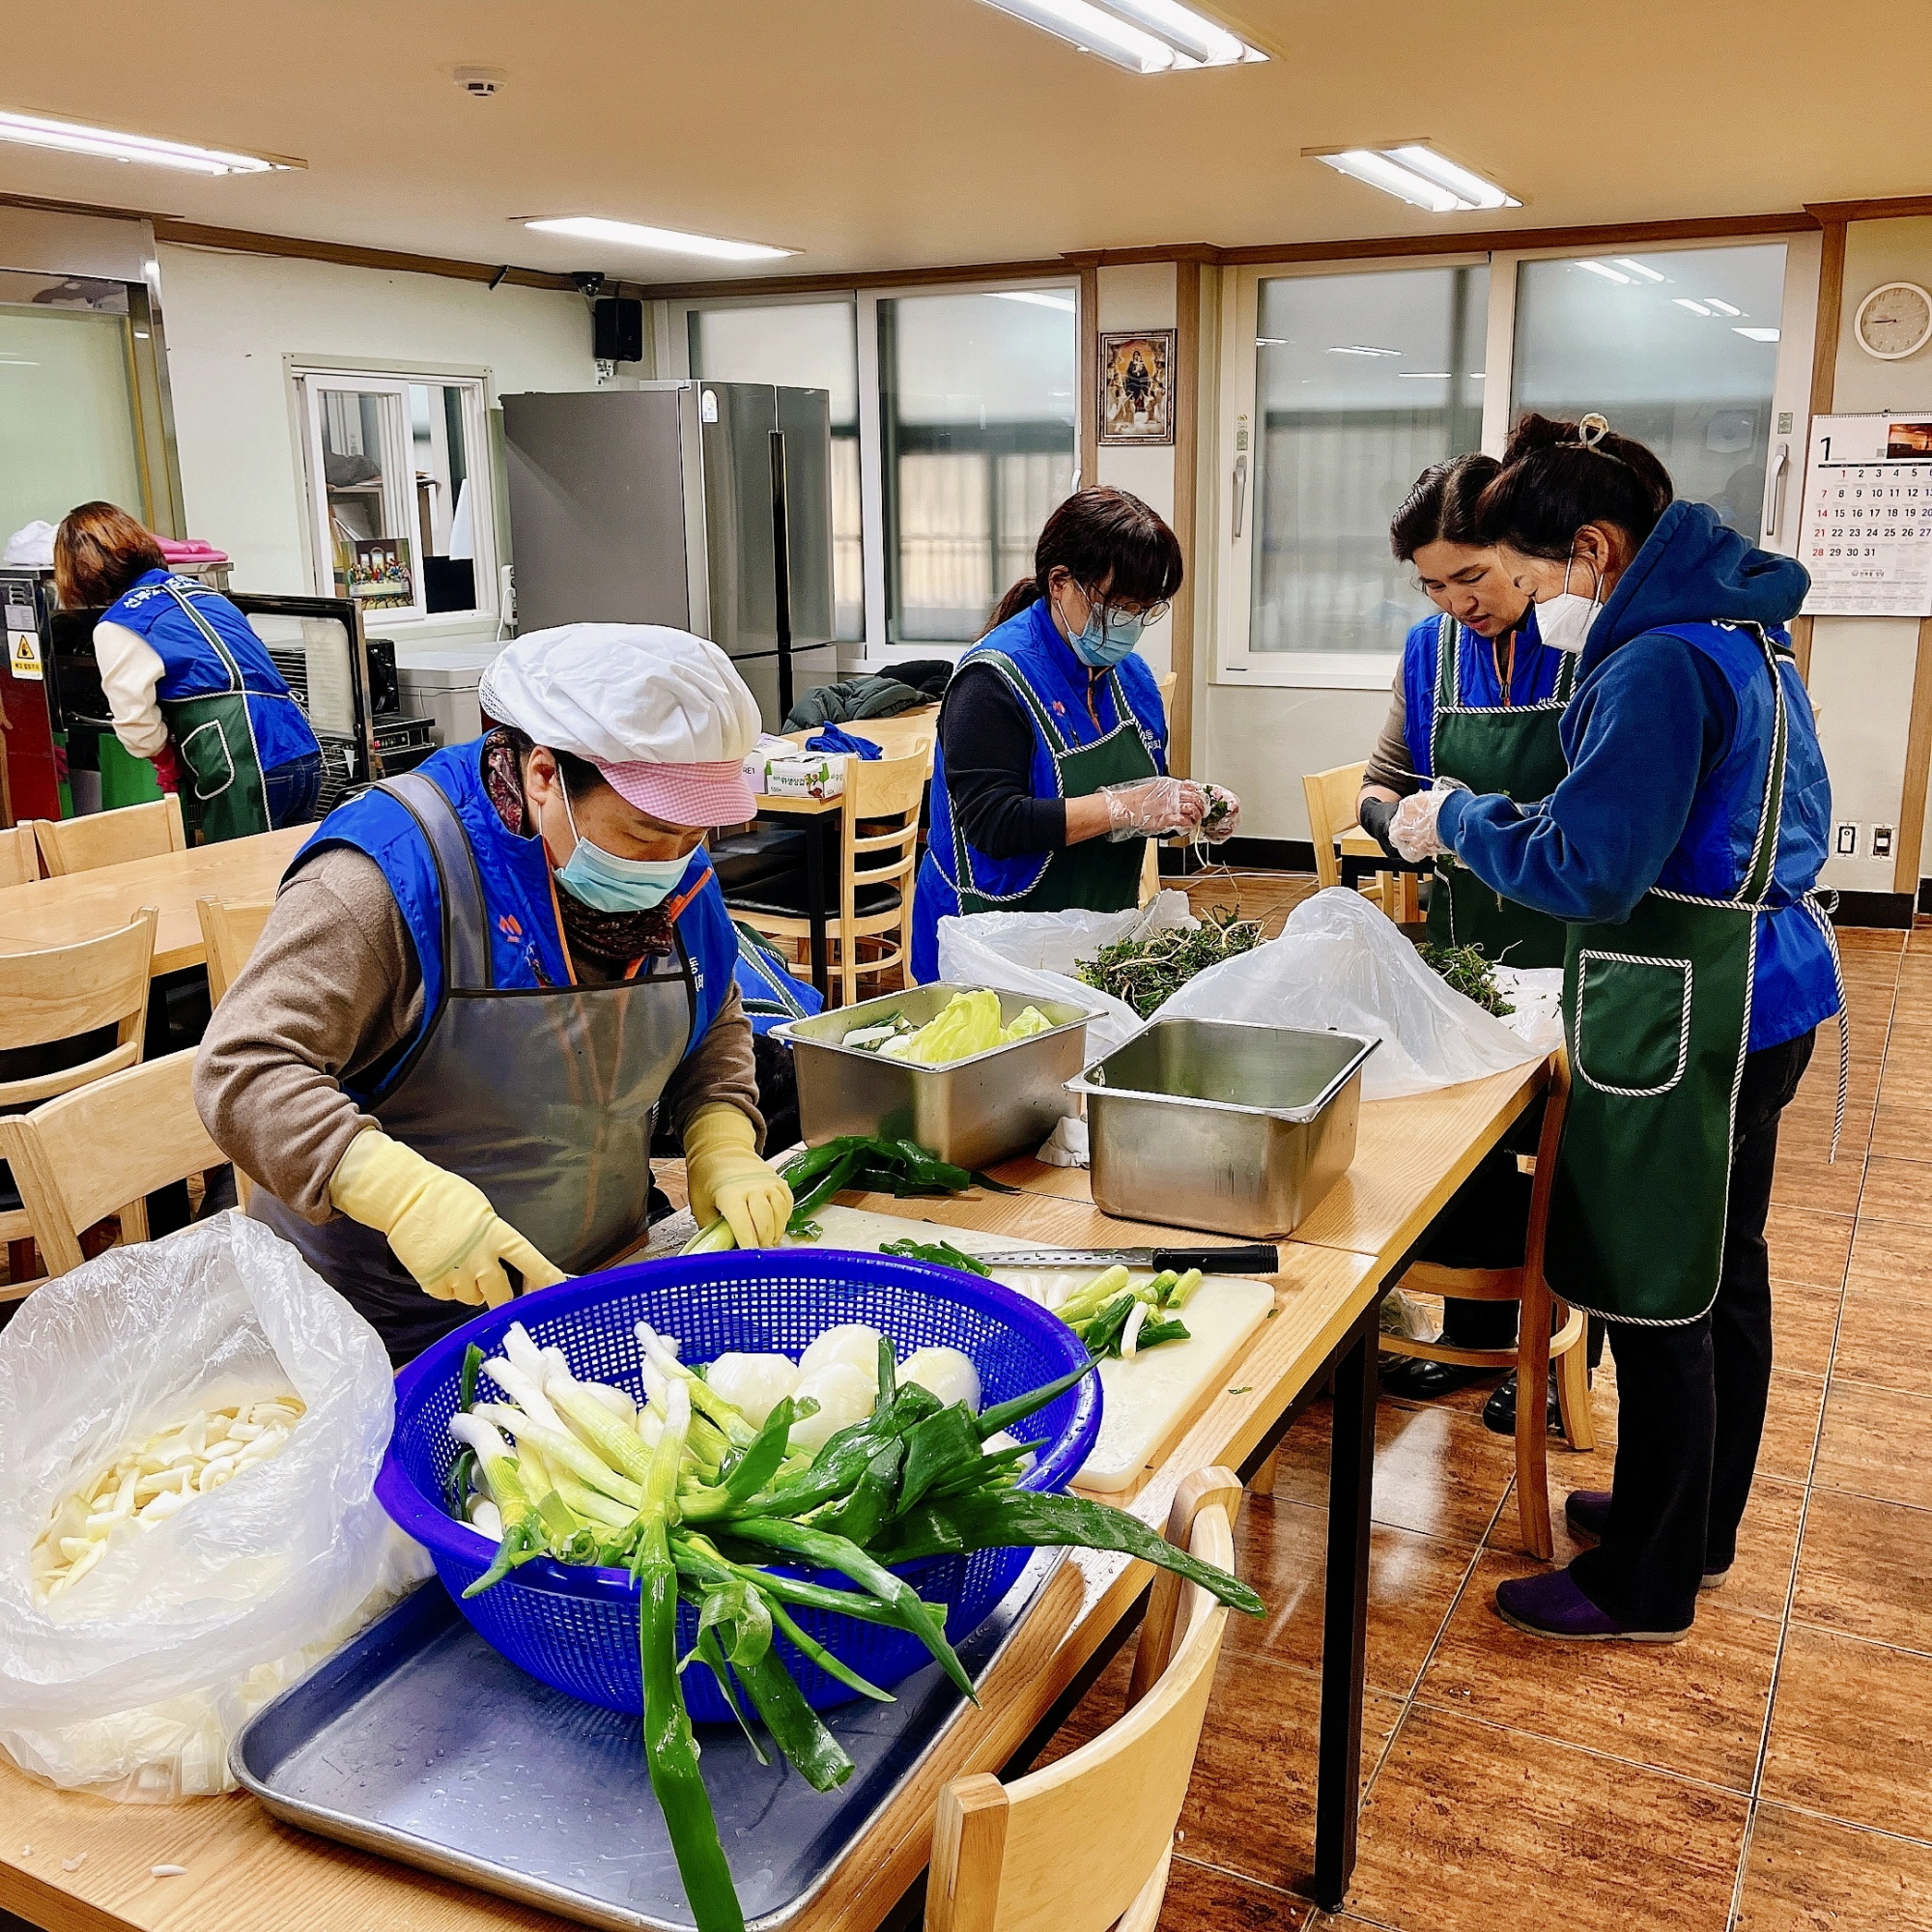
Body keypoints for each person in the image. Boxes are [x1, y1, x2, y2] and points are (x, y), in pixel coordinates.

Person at [1390, 413, 1840, 1641]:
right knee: (1720, 1271)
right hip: (1769, 984)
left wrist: (1460, 824)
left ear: (1594, 547)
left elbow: (1591, 866)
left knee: (1657, 1286)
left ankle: (1637, 1581)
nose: (1532, 609)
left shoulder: (1655, 661)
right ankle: (1687, 1522)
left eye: (1533, 580)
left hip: (1690, 998)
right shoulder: (1744, 627)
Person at [195, 624, 793, 1366]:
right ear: (545, 776)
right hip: (383, 1338)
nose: (672, 861)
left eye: (694, 835)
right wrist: (399, 1193)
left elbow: (710, 1020)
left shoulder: (675, 873)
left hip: (592, 1289)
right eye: (646, 833)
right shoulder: (389, 875)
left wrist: (722, 1137)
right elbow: (244, 1066)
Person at [1362, 454, 1581, 1422]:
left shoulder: (1582, 642)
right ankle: (1472, 1337)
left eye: (1472, 577)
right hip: (1468, 947)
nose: (1456, 602)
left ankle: (1550, 1353)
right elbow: (1382, 777)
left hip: (1575, 941)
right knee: (1470, 1143)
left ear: (1518, 554)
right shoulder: (1426, 651)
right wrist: (1393, 824)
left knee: (1576, 1149)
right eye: (1431, 584)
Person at [911, 486, 1238, 982]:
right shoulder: (993, 679)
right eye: (1117, 606)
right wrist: (1119, 807)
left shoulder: (1133, 680)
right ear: (1060, 582)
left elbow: (1142, 798)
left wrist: (1187, 808)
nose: (1129, 623)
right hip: (992, 944)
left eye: (1145, 609)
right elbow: (993, 824)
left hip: (1096, 941)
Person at [53, 502, 323, 840]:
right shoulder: (205, 595)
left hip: (241, 760)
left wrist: (162, 757)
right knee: (294, 876)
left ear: (79, 572)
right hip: (301, 750)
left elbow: (136, 724)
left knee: (237, 881)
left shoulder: (120, 623)